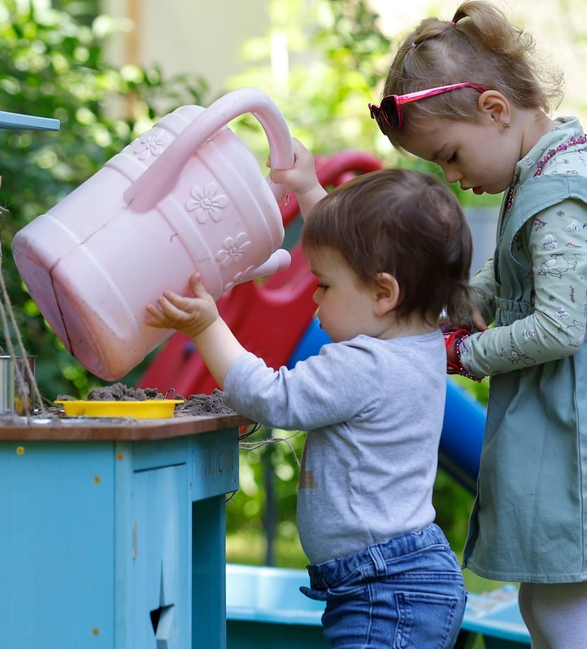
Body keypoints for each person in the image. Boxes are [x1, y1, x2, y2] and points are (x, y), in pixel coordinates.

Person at [359, 0, 587, 649]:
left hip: (581, 428)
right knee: (545, 601)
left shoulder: (558, 197)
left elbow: (559, 327)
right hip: (563, 415)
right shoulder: (541, 171)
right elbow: (513, 281)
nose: (450, 177)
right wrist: (456, 304)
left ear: (495, 111)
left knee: (557, 608)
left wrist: (463, 355)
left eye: (450, 155)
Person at [147, 168, 471, 649]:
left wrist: (206, 328)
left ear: (385, 293)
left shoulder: (364, 365)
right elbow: (361, 256)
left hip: (385, 593)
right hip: (394, 582)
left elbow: (272, 398)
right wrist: (308, 191)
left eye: (323, 285)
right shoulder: (420, 340)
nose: (314, 298)